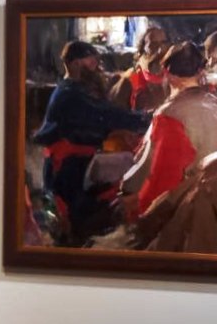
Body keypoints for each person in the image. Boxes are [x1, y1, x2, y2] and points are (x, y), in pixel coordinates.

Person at [117, 42, 217, 252]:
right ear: (200, 72)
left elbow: (156, 173)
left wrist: (126, 188)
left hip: (183, 212)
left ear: (168, 74)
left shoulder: (168, 114)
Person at [31, 41, 150, 244]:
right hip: (68, 168)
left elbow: (102, 118)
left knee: (126, 162)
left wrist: (122, 130)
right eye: (91, 60)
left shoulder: (76, 89)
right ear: (75, 63)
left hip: (79, 160)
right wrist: (147, 119)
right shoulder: (70, 95)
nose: (96, 65)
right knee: (79, 223)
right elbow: (106, 115)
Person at [109, 24, 169, 112]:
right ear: (143, 47)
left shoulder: (174, 75)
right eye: (153, 43)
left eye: (163, 42)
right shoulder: (130, 79)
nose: (160, 48)